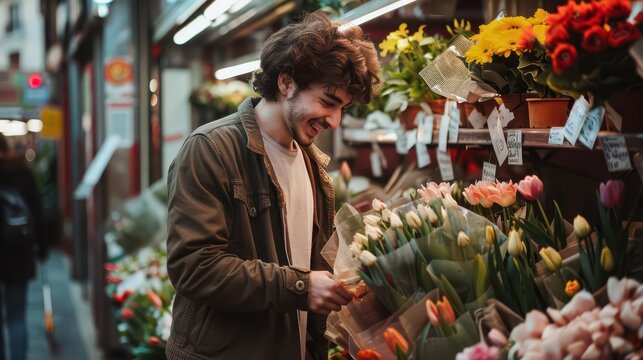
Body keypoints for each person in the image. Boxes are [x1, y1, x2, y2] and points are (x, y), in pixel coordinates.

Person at [165, 12, 380, 360]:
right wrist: (301, 286)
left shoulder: (314, 165)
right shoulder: (212, 149)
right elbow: (194, 267)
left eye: (342, 108)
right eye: (328, 101)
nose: (335, 120)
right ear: (286, 83)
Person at [0, 134, 46, 360]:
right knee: (17, 317)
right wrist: (43, 249)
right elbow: (37, 213)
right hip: (18, 257)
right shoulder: (22, 173)